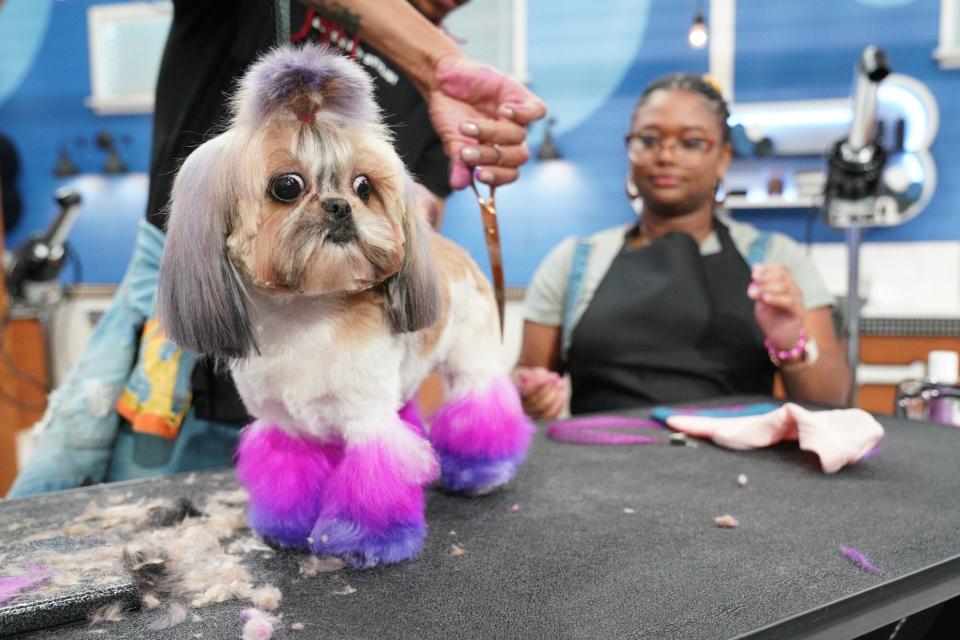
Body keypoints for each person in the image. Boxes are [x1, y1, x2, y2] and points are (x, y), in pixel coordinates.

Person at [9, 0, 545, 497]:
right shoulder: (251, 12)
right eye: (288, 189)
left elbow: (415, 215)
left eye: (358, 190)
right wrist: (439, 63)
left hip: (350, 318)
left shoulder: (440, 92)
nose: (333, 205)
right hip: (186, 301)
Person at [513, 73, 849, 420]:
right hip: (600, 461)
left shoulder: (775, 259)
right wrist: (529, 395)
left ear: (722, 158)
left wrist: (790, 344)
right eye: (648, 139)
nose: (666, 155)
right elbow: (524, 382)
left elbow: (832, 400)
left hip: (737, 469)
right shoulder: (574, 262)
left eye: (690, 142)